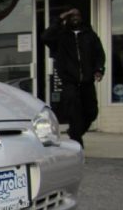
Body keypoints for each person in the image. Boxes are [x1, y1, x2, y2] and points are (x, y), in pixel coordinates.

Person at [42, 8, 105, 148]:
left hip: (87, 82)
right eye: (72, 15)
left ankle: (75, 133)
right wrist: (60, 17)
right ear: (67, 18)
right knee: (74, 114)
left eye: (77, 15)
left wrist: (99, 69)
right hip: (69, 82)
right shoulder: (61, 36)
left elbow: (99, 54)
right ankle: (77, 143)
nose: (75, 17)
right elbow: (45, 37)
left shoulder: (89, 35)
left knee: (91, 113)